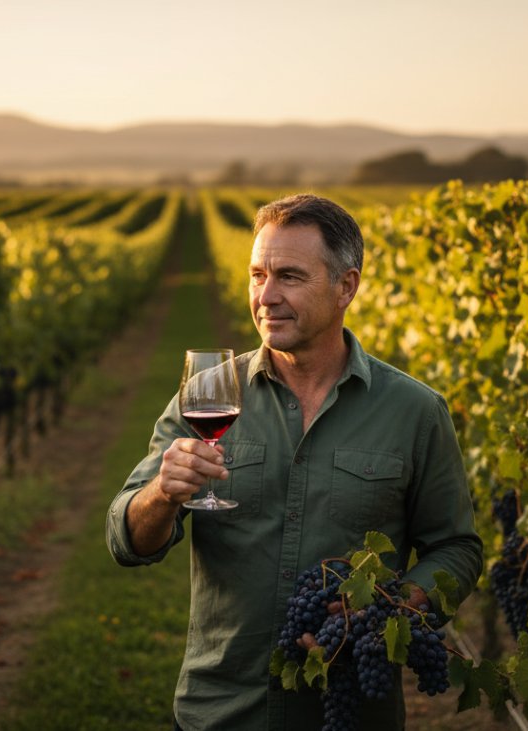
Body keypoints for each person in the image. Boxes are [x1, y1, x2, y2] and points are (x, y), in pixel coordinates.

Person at [105, 193, 483, 730]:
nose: (266, 296)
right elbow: (126, 541)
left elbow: (455, 548)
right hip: (221, 713)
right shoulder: (205, 395)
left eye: (289, 276)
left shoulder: (415, 411)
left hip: (351, 712)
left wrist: (386, 612)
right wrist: (161, 494)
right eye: (257, 275)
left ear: (346, 286)